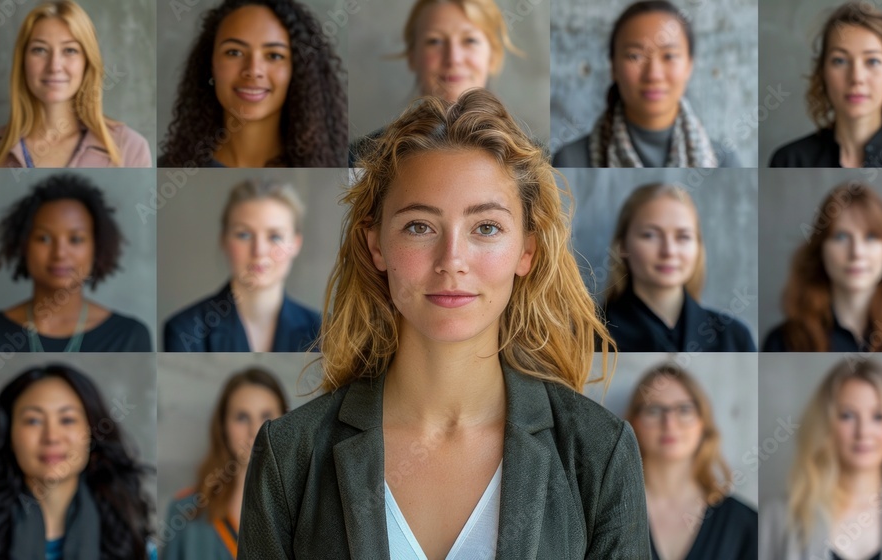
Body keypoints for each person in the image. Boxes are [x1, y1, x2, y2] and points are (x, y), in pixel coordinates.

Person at [237, 89, 650, 558]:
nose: (451, 261)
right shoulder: (288, 455)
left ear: (527, 251)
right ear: (376, 246)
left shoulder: (600, 452)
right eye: (419, 226)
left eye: (486, 228)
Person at [759, 358, 882, 559]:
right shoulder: (776, 520)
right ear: (826, 424)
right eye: (847, 415)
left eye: (878, 416)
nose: (863, 432)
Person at [0, 363, 157, 559]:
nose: (51, 436)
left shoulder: (132, 540)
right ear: (8, 435)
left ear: (93, 435)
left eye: (67, 419)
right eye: (33, 420)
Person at [0, 174, 152, 353]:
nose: (59, 253)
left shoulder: (130, 336)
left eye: (76, 239)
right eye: (43, 238)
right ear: (23, 245)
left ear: (97, 247)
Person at [0, 0, 151, 168]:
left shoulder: (130, 149)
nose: (54, 66)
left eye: (69, 50)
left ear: (87, 62)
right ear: (23, 62)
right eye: (40, 50)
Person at [159, 0, 348, 168]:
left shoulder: (333, 169)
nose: (253, 70)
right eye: (234, 52)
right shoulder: (169, 169)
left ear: (298, 71)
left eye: (274, 55)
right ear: (210, 64)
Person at [553, 0, 736, 168]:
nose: (653, 74)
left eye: (669, 56)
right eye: (635, 56)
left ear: (689, 65)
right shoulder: (570, 161)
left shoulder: (723, 161)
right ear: (613, 67)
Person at [763, 182, 882, 352]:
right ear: (821, 249)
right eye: (841, 237)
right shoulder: (784, 342)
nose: (857, 252)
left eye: (870, 237)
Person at [769, 2, 882, 168]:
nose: (856, 77)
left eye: (872, 61)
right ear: (822, 71)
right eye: (840, 60)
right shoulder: (789, 160)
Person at [348, 0, 521, 166]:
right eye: (435, 41)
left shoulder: (539, 159)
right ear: (412, 56)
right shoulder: (357, 158)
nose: (453, 58)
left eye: (470, 40)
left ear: (493, 56)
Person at [163, 178, 320, 352]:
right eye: (244, 235)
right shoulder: (185, 329)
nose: (259, 251)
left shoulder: (325, 332)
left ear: (295, 244)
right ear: (224, 240)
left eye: (275, 236)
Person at [600, 183, 756, 352]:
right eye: (650, 235)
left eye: (683, 237)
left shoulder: (734, 338)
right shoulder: (589, 335)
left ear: (698, 246)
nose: (669, 251)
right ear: (622, 246)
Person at [624, 363, 756, 560]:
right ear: (633, 422)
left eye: (684, 409)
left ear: (703, 422)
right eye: (653, 410)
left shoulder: (743, 522)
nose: (669, 423)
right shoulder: (611, 514)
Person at [161, 368, 289, 560]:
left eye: (266, 416)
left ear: (287, 422)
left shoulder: (308, 506)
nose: (255, 430)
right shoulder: (185, 511)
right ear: (223, 426)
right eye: (242, 417)